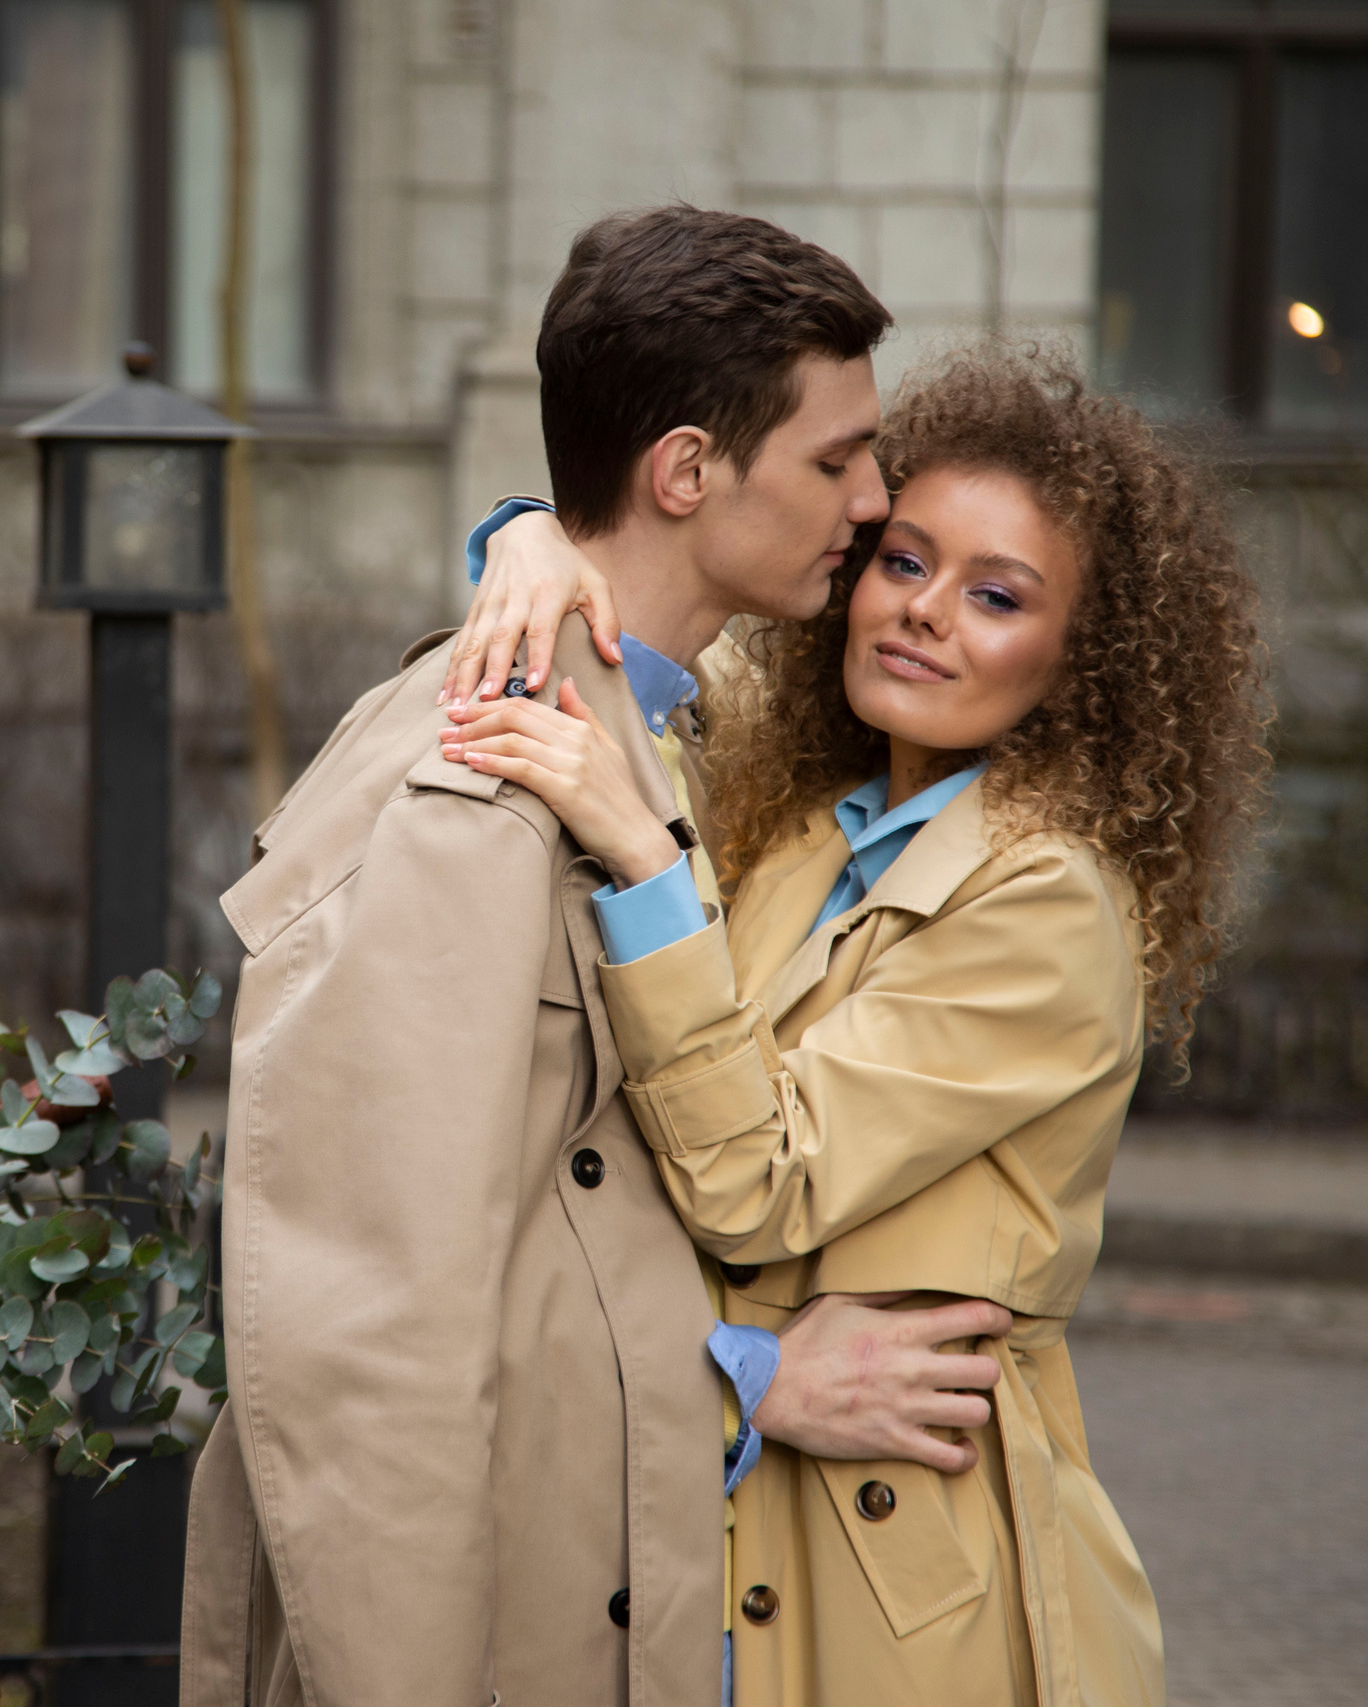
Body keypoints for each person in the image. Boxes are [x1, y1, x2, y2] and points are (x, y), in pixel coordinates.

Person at [178, 208, 1027, 1707]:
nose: (875, 499)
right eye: (836, 460)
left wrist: (524, 528)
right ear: (690, 472)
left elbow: (587, 1221)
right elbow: (370, 1341)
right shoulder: (493, 783)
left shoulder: (631, 725)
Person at [434, 347, 1272, 1706]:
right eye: (904, 562)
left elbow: (758, 1185)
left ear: (1085, 655)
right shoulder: (808, 809)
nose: (926, 613)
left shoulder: (1048, 902)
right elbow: (634, 642)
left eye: (996, 597)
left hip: (905, 1588)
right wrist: (528, 538)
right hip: (724, 1519)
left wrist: (650, 869)